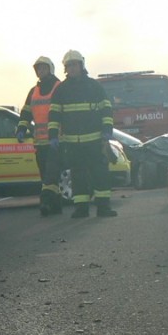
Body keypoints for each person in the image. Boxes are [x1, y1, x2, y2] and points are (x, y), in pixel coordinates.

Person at [48, 50, 117, 218]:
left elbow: (106, 109)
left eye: (75, 65)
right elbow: (54, 114)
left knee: (100, 174)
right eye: (69, 66)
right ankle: (81, 208)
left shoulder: (94, 87)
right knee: (78, 176)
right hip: (72, 143)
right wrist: (53, 135)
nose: (72, 68)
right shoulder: (61, 90)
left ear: (81, 65)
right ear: (65, 69)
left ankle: (103, 207)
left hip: (94, 141)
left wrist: (107, 130)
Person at [17, 56, 64, 216]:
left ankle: (45, 203)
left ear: (50, 69)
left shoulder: (59, 88)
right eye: (38, 69)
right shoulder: (33, 91)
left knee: (51, 174)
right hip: (40, 142)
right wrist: (21, 128)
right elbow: (26, 112)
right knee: (46, 176)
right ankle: (56, 206)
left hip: (57, 140)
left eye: (43, 68)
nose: (40, 71)